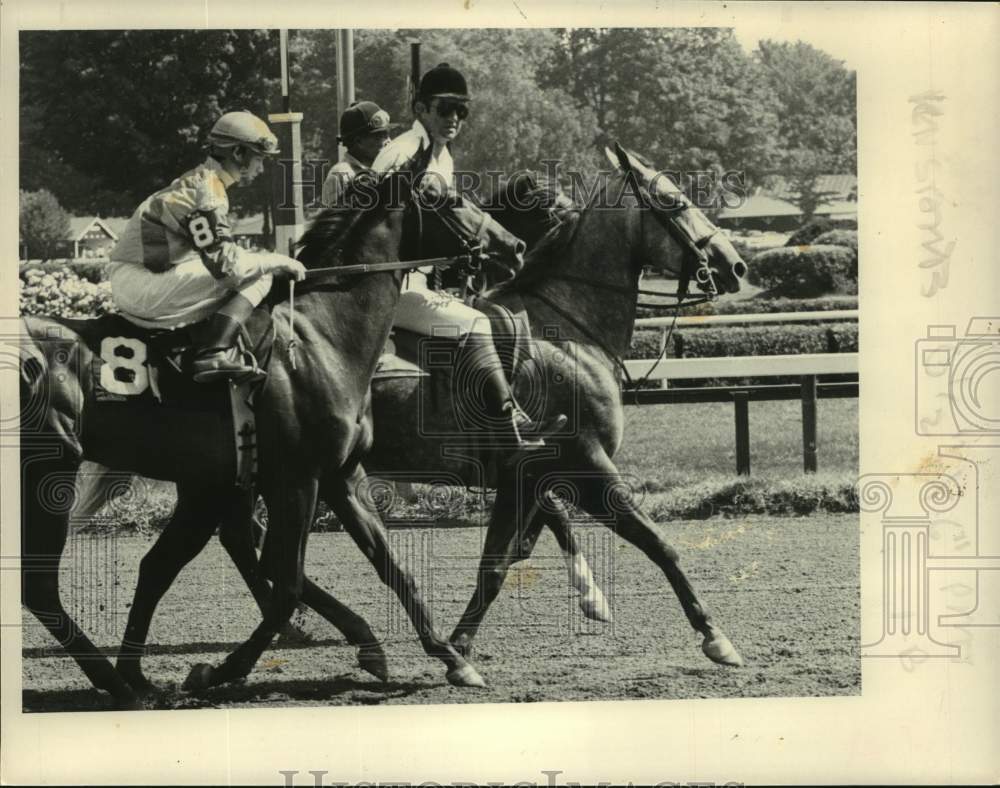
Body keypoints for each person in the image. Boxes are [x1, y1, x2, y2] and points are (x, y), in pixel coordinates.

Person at [371, 63, 566, 448]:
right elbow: (380, 228)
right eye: (445, 109)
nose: (455, 118)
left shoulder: (442, 158)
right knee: (476, 323)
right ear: (421, 108)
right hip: (389, 285)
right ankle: (507, 420)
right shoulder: (403, 153)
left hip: (422, 279)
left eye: (462, 110)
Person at [108, 110, 306, 384]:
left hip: (135, 277)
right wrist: (277, 260)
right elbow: (228, 268)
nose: (261, 168)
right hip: (139, 284)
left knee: (252, 263)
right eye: (258, 158)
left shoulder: (202, 180)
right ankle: (214, 352)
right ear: (238, 153)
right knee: (262, 273)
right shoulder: (208, 191)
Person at [321, 100, 392, 208]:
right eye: (380, 136)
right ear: (359, 141)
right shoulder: (340, 176)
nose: (389, 141)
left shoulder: (385, 169)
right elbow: (334, 223)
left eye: (387, 135)